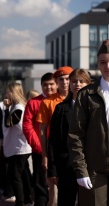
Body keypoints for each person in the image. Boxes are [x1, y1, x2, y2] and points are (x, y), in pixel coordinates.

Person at [68, 39, 109, 206]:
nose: (107, 66)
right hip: (94, 171)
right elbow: (75, 134)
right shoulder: (87, 95)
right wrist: (81, 170)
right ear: (98, 64)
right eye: (103, 62)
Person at [47, 68, 91, 206]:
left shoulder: (96, 108)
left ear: (88, 84)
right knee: (66, 201)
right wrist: (52, 170)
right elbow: (53, 141)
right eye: (74, 81)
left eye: (81, 81)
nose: (77, 84)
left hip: (91, 165)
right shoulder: (61, 108)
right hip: (66, 166)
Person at [36, 66, 73, 206]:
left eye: (68, 79)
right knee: (55, 194)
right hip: (57, 154)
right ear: (57, 82)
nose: (65, 82)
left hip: (77, 153)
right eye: (61, 79)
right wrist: (45, 156)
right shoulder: (48, 102)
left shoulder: (81, 99)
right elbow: (42, 131)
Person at [23, 72, 57, 206]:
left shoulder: (62, 101)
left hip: (59, 151)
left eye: (51, 84)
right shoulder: (33, 103)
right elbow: (27, 127)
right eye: (45, 85)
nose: (48, 88)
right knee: (40, 184)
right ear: (41, 86)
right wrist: (40, 148)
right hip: (40, 151)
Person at [1, 83, 32, 206]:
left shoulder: (18, 108)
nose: (6, 94)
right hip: (20, 147)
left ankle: (20, 201)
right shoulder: (17, 107)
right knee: (23, 175)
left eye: (8, 92)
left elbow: (9, 123)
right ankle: (28, 198)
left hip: (20, 148)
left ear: (13, 93)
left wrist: (7, 108)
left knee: (16, 176)